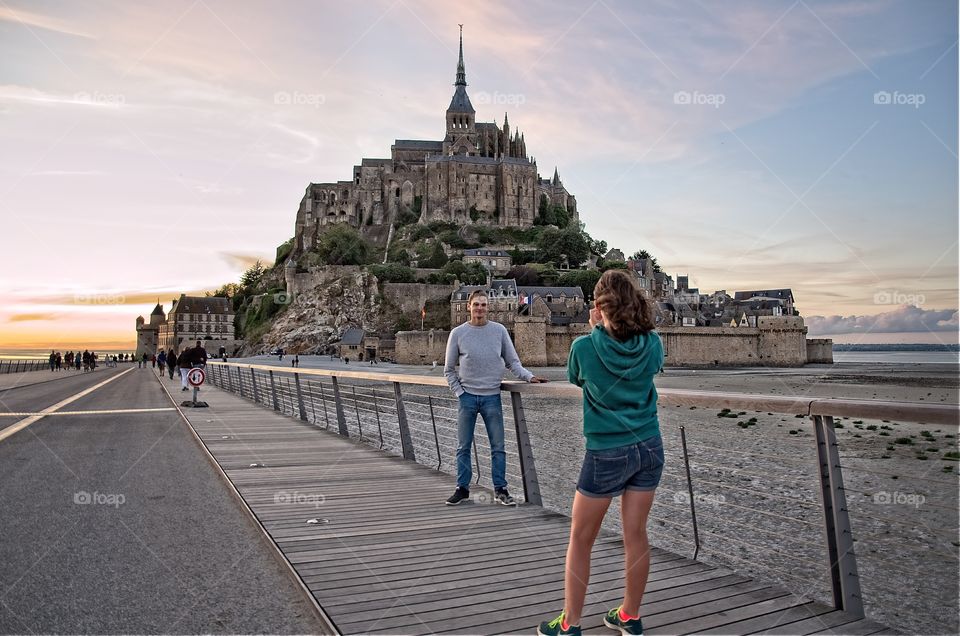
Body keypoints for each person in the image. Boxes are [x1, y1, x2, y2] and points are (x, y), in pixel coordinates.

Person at [537, 270, 664, 636]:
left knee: (580, 538)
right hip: (649, 446)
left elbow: (577, 378)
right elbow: (654, 366)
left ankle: (571, 622)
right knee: (636, 534)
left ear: (598, 307)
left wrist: (596, 330)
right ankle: (630, 615)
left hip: (606, 451)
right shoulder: (653, 343)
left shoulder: (584, 347)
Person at [443, 290, 547, 506]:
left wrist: (529, 377)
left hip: (492, 397)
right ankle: (462, 488)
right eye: (476, 304)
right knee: (463, 446)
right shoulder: (458, 333)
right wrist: (460, 392)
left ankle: (501, 489)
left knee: (498, 447)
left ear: (487, 307)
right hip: (467, 397)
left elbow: (512, 362)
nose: (480, 308)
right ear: (469, 306)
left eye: (483, 305)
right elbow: (449, 369)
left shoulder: (499, 331)